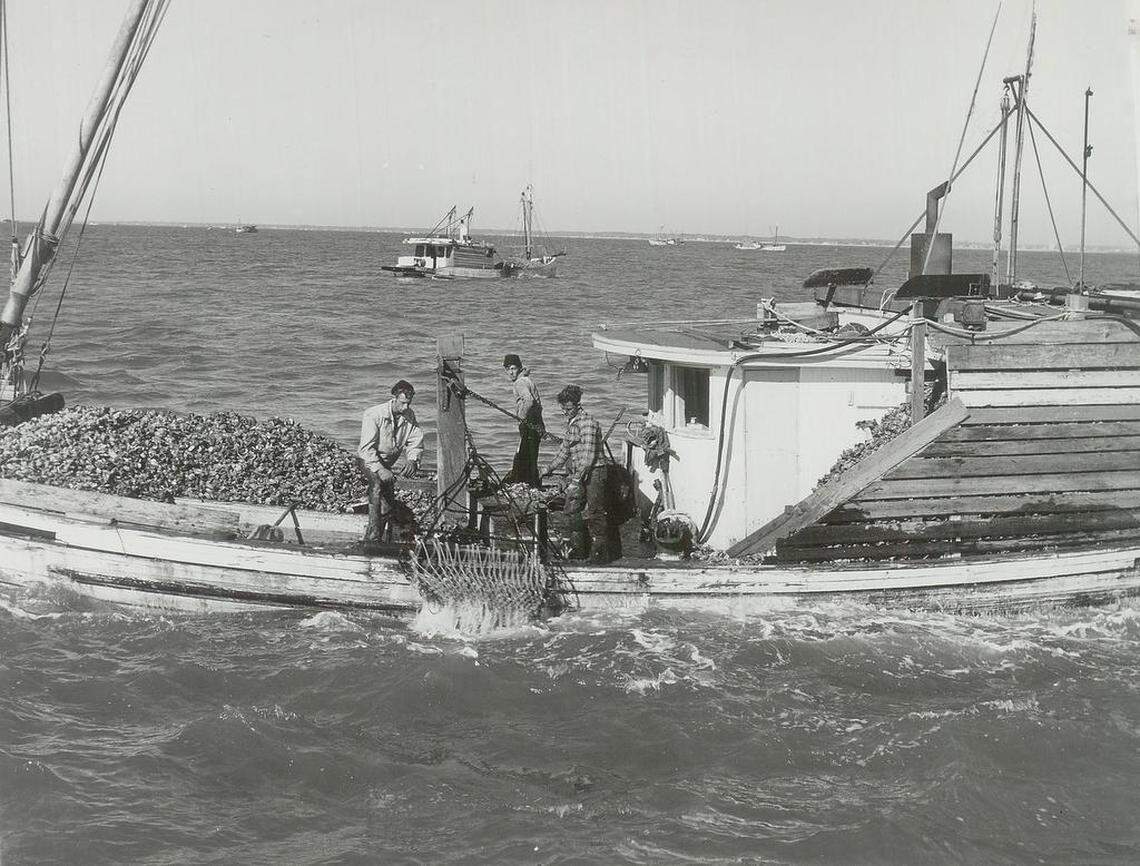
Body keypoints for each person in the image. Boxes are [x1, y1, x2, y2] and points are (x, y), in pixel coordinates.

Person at [541, 384, 621, 564]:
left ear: (577, 405)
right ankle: (578, 550)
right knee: (572, 509)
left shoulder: (588, 423)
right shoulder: (572, 424)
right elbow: (564, 451)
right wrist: (548, 469)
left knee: (595, 511)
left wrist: (575, 480)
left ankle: (600, 555)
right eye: (563, 409)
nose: (565, 412)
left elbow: (588, 457)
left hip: (595, 472)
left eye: (568, 409)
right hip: (580, 472)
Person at [357, 379, 424, 544]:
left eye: (409, 403)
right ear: (394, 398)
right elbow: (366, 449)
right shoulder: (374, 414)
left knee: (387, 504)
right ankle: (373, 539)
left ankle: (380, 539)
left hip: (387, 463)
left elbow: (415, 440)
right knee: (376, 488)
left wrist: (412, 459)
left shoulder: (409, 415)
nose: (406, 407)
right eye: (402, 403)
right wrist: (380, 469)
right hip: (368, 459)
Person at [502, 353, 544, 487]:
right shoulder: (527, 379)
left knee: (523, 457)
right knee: (531, 457)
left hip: (529, 423)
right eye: (508, 369)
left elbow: (529, 401)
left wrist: (522, 418)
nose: (510, 372)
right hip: (536, 422)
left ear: (519, 368)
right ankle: (532, 484)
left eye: (513, 368)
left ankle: (527, 485)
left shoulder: (520, 383)